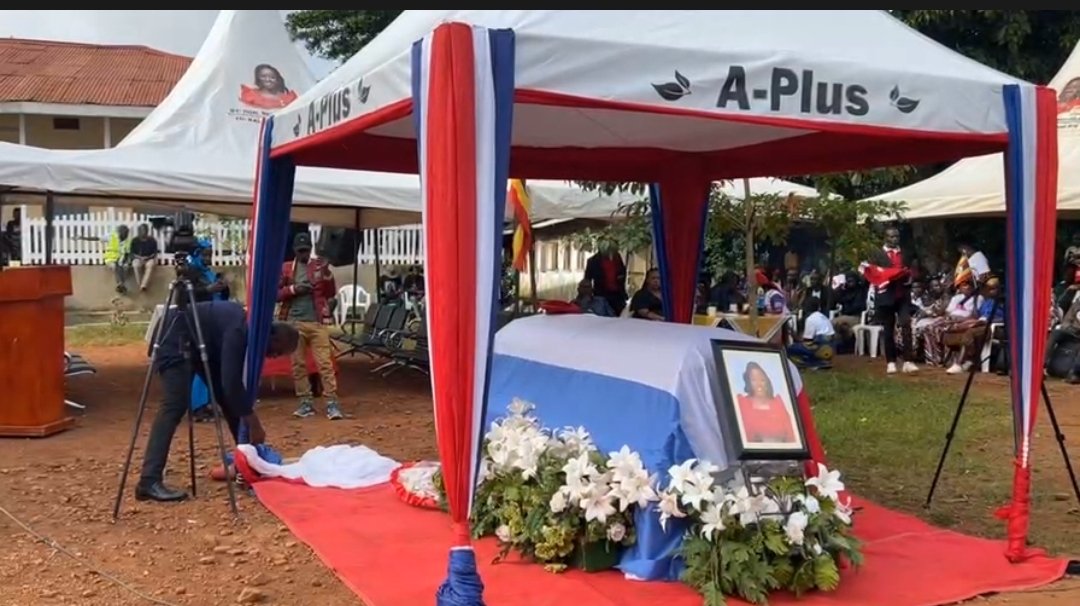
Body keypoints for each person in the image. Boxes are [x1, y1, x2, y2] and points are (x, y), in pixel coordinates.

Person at [136, 301, 299, 502]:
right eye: (276, 351)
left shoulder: (250, 329)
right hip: (173, 337)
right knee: (174, 405)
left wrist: (246, 424)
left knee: (228, 399)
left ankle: (246, 462)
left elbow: (230, 391)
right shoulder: (240, 330)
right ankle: (148, 481)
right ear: (272, 335)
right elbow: (231, 382)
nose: (272, 357)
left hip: (202, 341)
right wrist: (252, 420)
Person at [278, 232, 342, 420]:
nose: (303, 254)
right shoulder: (287, 268)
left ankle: (332, 403)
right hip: (293, 322)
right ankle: (305, 403)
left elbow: (330, 292)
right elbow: (276, 293)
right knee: (298, 365)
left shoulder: (319, 266)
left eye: (306, 251)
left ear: (311, 249)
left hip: (316, 321)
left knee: (324, 364)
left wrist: (328, 274)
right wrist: (293, 289)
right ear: (294, 251)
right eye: (300, 251)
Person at [862, 226, 918, 374]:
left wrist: (910, 277)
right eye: (891, 237)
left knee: (906, 323)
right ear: (885, 238)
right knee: (888, 329)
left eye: (897, 237)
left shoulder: (904, 252)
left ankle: (908, 360)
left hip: (903, 294)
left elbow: (911, 268)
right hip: (886, 295)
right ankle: (891, 361)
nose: (894, 239)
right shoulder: (877, 254)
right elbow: (872, 272)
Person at [736, 362, 796, 443]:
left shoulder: (778, 404)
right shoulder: (742, 403)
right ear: (748, 382)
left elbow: (791, 436)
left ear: (767, 382)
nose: (759, 384)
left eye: (762, 380)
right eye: (754, 380)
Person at [787, 296, 835, 370]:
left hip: (820, 347)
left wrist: (792, 334)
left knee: (791, 348)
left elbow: (807, 342)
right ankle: (819, 361)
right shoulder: (823, 316)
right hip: (831, 347)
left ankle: (813, 363)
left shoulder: (810, 319)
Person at [584, 240, 629, 316]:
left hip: (617, 296)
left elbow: (622, 274)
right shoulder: (593, 261)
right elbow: (587, 279)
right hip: (601, 295)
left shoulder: (618, 259)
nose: (611, 253)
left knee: (617, 319)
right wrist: (587, 296)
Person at [129, 223, 160, 292]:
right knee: (135, 265)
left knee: (150, 265)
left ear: (147, 232)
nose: (143, 233)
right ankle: (139, 283)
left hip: (149, 258)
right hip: (138, 258)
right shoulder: (135, 240)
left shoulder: (152, 241)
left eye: (144, 231)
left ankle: (144, 285)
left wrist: (147, 257)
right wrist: (139, 257)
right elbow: (131, 253)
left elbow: (154, 253)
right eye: (141, 231)